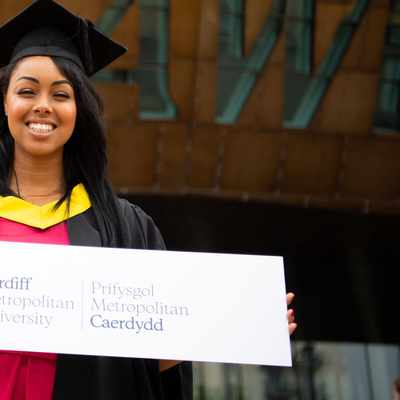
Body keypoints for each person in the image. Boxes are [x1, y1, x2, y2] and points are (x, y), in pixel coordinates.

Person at [0, 0, 296, 399]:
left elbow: (149, 361)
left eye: (61, 94)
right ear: (5, 103)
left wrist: (244, 321)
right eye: (26, 90)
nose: (43, 106)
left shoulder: (125, 227)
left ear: (78, 110)